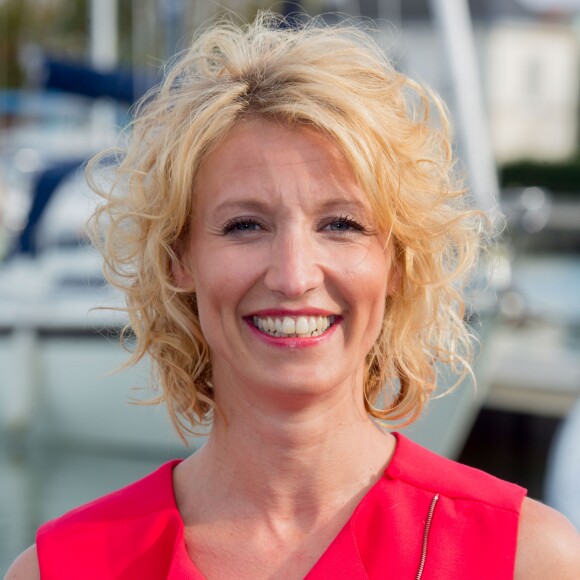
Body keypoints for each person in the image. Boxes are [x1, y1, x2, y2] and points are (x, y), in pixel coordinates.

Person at [7, 12, 580, 579]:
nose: (294, 275)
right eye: (245, 226)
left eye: (341, 225)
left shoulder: (525, 558)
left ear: (398, 262)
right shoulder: (63, 568)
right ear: (177, 258)